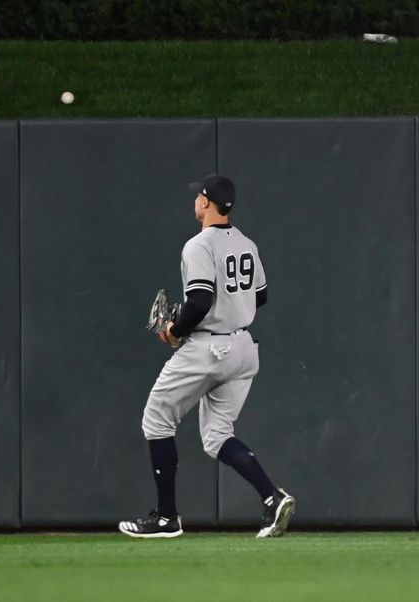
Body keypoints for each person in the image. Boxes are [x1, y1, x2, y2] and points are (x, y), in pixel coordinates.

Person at [118, 174, 294, 539]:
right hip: (244, 349)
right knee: (216, 436)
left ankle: (166, 518)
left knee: (157, 419)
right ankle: (272, 498)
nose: (195, 200)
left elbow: (200, 300)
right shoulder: (247, 243)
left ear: (205, 202)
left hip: (210, 348)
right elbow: (259, 297)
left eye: (198, 195)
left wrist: (174, 331)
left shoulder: (198, 245)